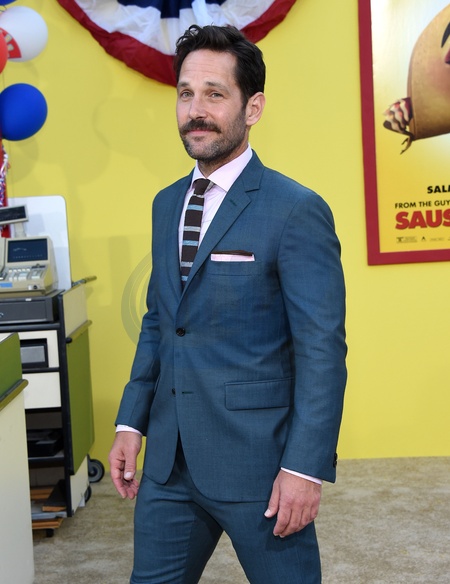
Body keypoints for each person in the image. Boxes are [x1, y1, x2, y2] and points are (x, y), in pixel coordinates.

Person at [109, 24, 347, 584]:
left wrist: (304, 468)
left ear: (252, 107)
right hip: (168, 464)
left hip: (259, 465)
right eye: (186, 93)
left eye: (215, 94)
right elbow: (160, 322)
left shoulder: (295, 209)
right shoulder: (166, 204)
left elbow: (321, 351)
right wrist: (130, 422)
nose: (196, 110)